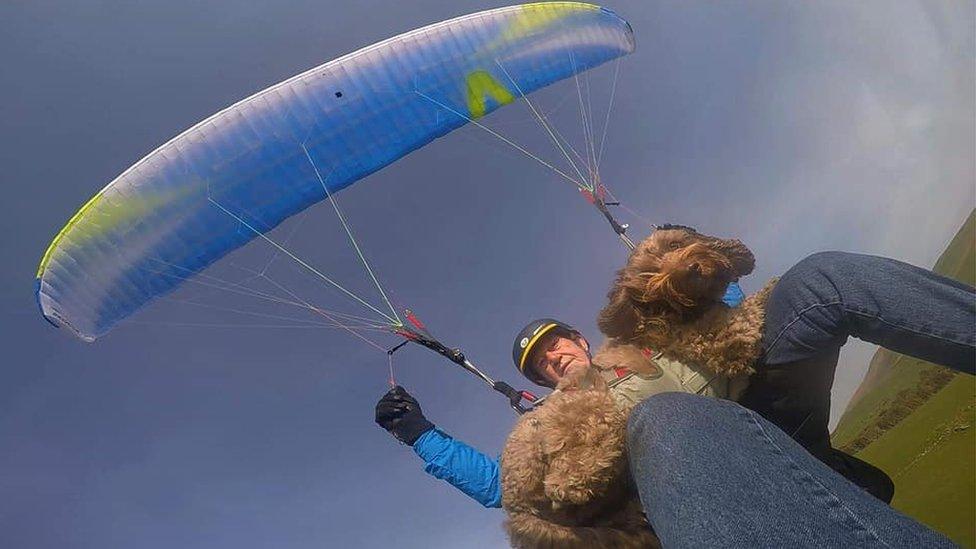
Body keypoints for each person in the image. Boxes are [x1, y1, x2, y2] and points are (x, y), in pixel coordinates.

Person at [375, 251, 974, 539]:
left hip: (768, 418)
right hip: (691, 480)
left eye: (556, 343)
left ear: (578, 337)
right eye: (540, 364)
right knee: (664, 419)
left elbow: (724, 327)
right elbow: (507, 488)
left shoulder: (640, 341)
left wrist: (703, 272)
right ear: (540, 382)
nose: (554, 357)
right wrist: (422, 437)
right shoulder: (553, 425)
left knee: (819, 281)